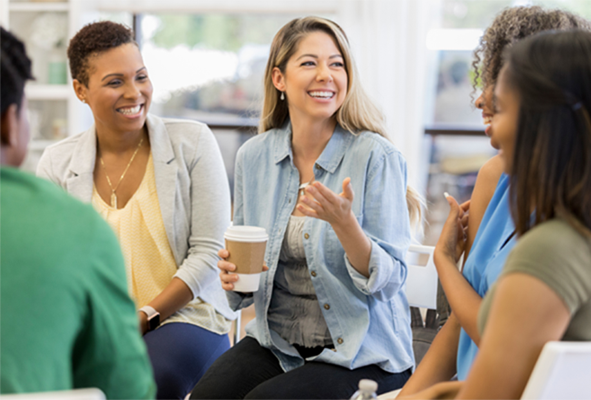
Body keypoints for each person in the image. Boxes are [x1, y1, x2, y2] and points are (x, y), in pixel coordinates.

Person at [190, 16, 422, 400]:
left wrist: (346, 226)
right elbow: (245, 278)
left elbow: (393, 278)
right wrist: (232, 276)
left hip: (361, 353)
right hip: (276, 343)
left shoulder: (375, 156)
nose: (326, 75)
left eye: (336, 64)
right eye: (309, 63)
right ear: (279, 78)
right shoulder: (255, 157)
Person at [399, 7, 591, 397]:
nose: (480, 103)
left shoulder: (555, 247)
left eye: (502, 101)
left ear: (543, 116)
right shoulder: (573, 221)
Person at [36, 21, 234, 400]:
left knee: (137, 382)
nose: (135, 92)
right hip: (99, 326)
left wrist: (143, 317)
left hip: (186, 318)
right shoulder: (57, 164)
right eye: (115, 82)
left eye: (140, 76)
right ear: (81, 90)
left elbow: (208, 254)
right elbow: (54, 264)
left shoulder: (192, 143)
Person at [0, 26, 155, 399]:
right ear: (10, 122)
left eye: (140, 76)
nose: (133, 92)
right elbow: (125, 388)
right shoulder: (74, 225)